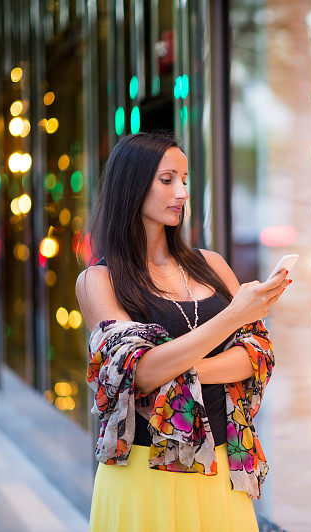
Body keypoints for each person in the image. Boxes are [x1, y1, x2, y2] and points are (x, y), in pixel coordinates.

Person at [75, 131, 291, 531]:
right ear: (132, 184)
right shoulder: (99, 280)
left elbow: (258, 352)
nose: (182, 192)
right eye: (167, 179)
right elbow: (139, 372)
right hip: (143, 470)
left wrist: (176, 371)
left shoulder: (210, 264)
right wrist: (231, 318)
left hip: (220, 466)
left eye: (186, 180)